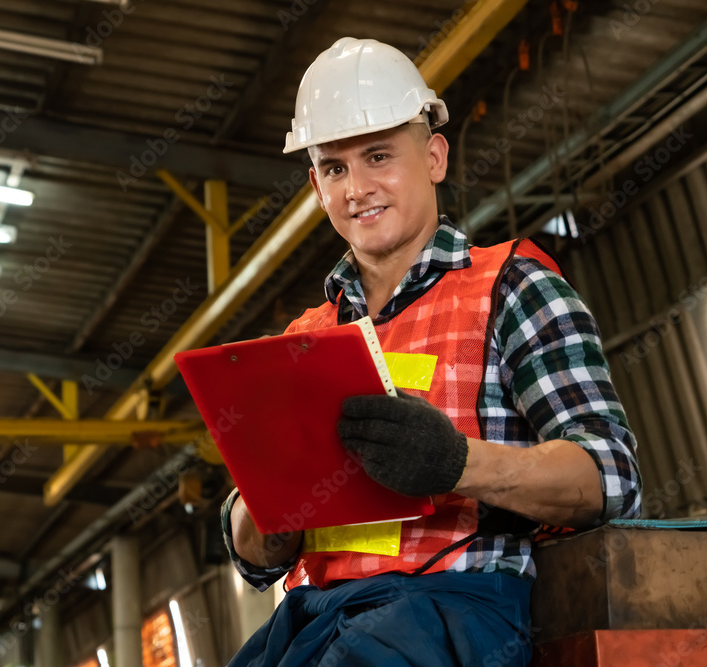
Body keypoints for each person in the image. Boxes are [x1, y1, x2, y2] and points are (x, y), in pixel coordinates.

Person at [220, 37, 641, 666]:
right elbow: (256, 558)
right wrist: (262, 507)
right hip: (319, 618)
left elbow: (611, 475)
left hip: (458, 611)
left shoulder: (514, 288)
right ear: (315, 185)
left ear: (435, 156)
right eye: (334, 168)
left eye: (379, 156)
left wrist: (456, 463)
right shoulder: (301, 339)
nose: (357, 187)